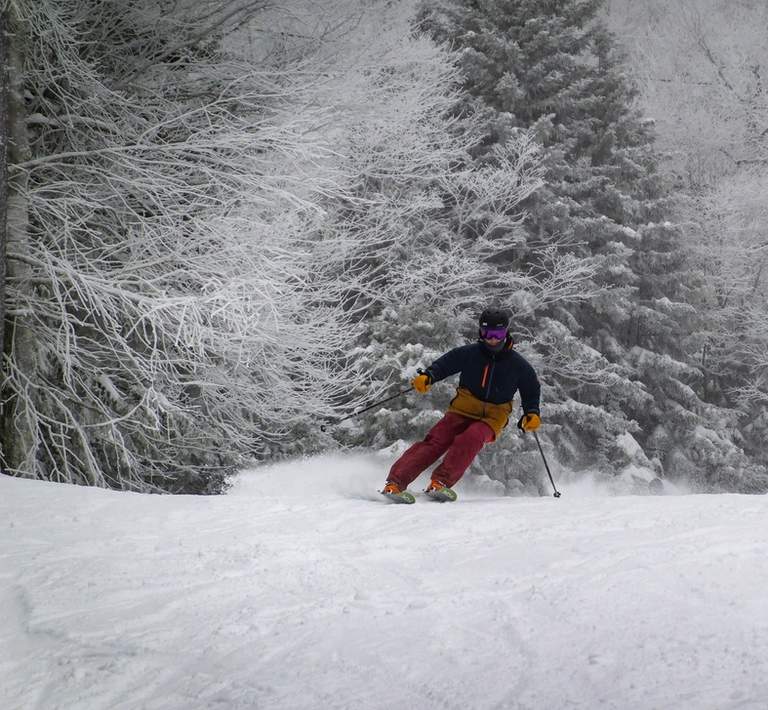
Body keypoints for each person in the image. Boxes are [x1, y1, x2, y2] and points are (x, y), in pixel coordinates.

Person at [382, 308, 541, 503]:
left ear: (506, 333)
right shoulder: (469, 354)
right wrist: (428, 376)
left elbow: (531, 390)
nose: (492, 339)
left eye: (497, 334)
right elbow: (444, 365)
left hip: (493, 416)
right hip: (463, 409)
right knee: (436, 440)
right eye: (487, 333)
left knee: (471, 437)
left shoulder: (518, 365)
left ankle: (440, 483)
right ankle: (395, 483)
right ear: (480, 333)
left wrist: (531, 413)